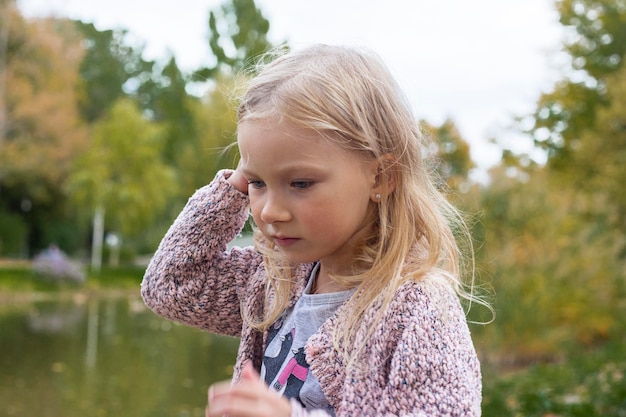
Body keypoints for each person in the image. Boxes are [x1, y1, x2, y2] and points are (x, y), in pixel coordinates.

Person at [141, 44, 485, 417]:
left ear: (381, 176)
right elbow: (170, 287)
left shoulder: (416, 311)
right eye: (258, 184)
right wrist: (232, 189)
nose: (271, 211)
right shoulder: (274, 279)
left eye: (300, 183)